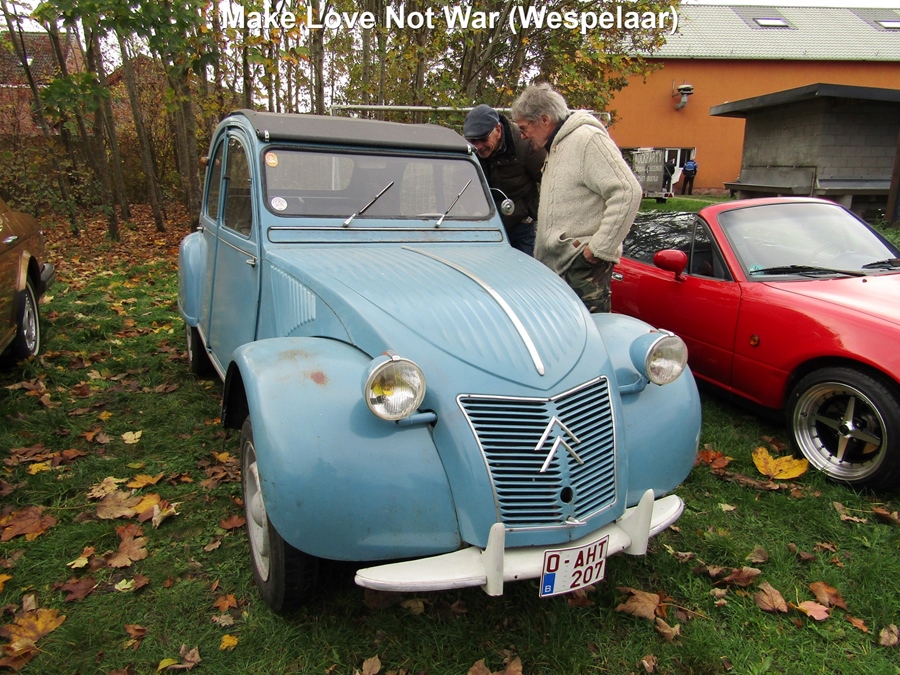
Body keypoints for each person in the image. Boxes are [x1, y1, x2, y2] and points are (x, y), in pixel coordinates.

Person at [509, 83, 641, 313]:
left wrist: (597, 250)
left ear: (544, 119)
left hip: (582, 269)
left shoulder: (587, 139)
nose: (522, 135)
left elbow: (628, 191)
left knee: (586, 330)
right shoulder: (557, 146)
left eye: (524, 127)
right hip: (560, 267)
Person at [463, 104, 545, 256]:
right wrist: (472, 212)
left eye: (483, 139)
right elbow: (462, 185)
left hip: (520, 227)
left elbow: (549, 181)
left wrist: (530, 214)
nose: (478, 146)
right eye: (473, 140)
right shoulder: (469, 151)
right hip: (484, 227)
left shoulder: (525, 144)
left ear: (498, 130)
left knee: (524, 269)